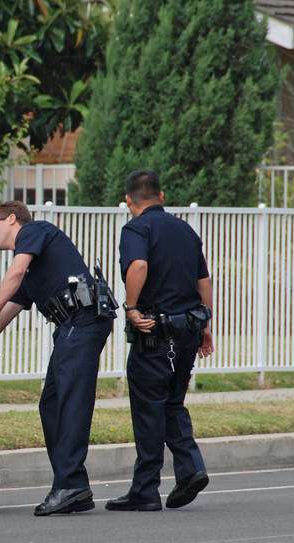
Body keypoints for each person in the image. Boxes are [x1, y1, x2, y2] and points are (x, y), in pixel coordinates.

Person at [0, 200, 114, 516]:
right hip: (72, 326)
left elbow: (15, 274)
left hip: (83, 320)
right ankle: (72, 485)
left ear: (12, 219)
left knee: (69, 401)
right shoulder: (32, 268)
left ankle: (70, 485)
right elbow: (14, 303)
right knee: (52, 404)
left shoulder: (35, 231)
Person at [106, 170, 213, 512]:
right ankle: (191, 468)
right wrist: (206, 324)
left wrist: (132, 307)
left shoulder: (137, 228)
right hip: (188, 331)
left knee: (148, 408)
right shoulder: (185, 229)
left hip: (155, 331)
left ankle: (146, 490)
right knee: (172, 403)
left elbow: (137, 265)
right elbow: (203, 280)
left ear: (128, 201)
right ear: (161, 196)